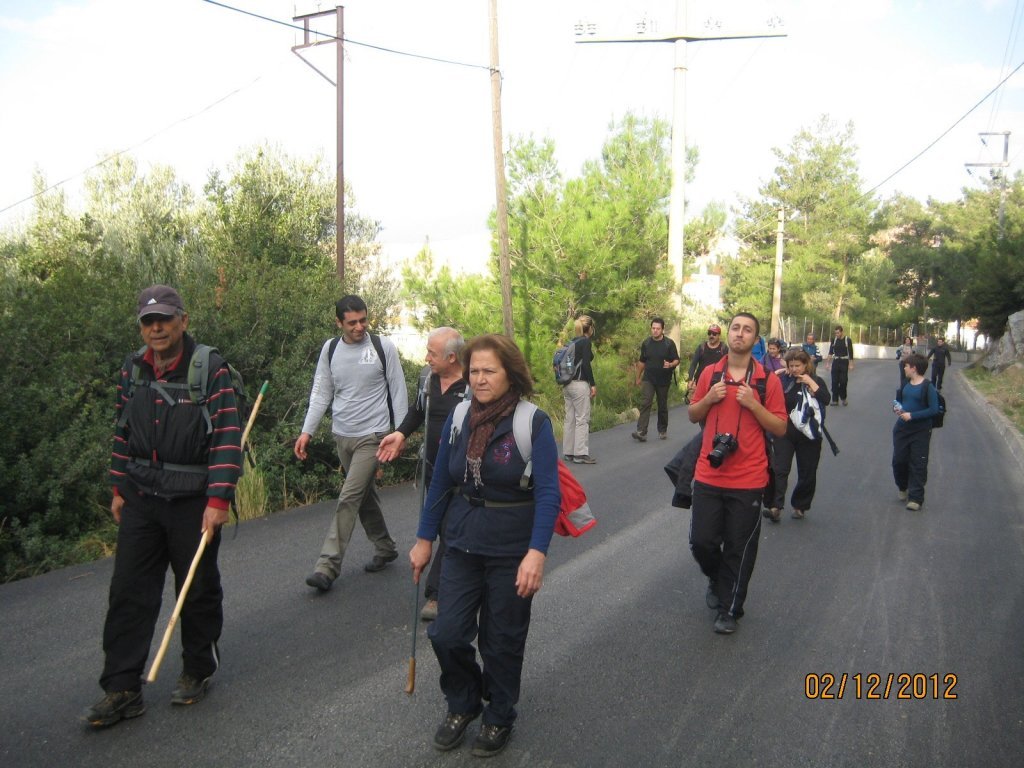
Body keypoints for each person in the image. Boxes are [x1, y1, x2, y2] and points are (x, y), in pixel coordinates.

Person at [82, 285, 242, 727]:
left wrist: (218, 499)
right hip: (140, 497)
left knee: (196, 588)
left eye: (165, 320)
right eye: (148, 321)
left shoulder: (208, 367)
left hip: (193, 500)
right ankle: (121, 687)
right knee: (129, 592)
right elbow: (121, 430)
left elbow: (228, 436)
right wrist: (117, 486)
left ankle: (197, 669)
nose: (156, 328)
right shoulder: (133, 369)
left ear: (183, 320)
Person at [410, 334, 560, 757]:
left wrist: (537, 552)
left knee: (502, 640)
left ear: (509, 373)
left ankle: (499, 714)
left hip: (512, 547)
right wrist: (424, 539)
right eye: (474, 370)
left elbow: (548, 493)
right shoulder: (461, 416)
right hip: (461, 540)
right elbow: (441, 482)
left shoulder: (532, 422)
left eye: (488, 370)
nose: (479, 378)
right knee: (446, 633)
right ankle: (464, 701)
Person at [296, 294, 409, 592]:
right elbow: (322, 392)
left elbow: (398, 391)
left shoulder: (382, 347)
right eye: (352, 323)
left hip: (374, 437)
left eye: (363, 320)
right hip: (342, 435)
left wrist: (401, 434)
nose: (359, 327)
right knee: (363, 497)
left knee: (349, 496)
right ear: (339, 323)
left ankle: (327, 566)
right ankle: (385, 547)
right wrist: (307, 431)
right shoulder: (330, 349)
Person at [687, 312, 787, 635]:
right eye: (735, 328)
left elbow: (781, 427)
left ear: (755, 340)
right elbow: (692, 414)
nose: (739, 334)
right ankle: (719, 580)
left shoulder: (766, 381)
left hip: (748, 478)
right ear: (727, 334)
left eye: (747, 330)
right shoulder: (709, 374)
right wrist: (709, 399)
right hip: (709, 473)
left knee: (739, 546)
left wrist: (754, 405)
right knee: (700, 541)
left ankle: (730, 608)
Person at [377, 327, 467, 622]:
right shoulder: (428, 380)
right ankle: (455, 585)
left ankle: (438, 593)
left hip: (464, 474)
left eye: (432, 353)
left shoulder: (472, 385)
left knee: (450, 530)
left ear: (452, 357)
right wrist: (401, 434)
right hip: (434, 472)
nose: (426, 357)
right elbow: (418, 412)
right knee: (442, 526)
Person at [764, 349, 831, 522]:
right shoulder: (783, 380)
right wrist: (776, 375)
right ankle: (775, 506)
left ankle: (800, 505)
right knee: (780, 469)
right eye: (791, 365)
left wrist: (809, 382)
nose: (794, 369)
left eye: (798, 366)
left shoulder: (815, 380)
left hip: (808, 434)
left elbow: (826, 399)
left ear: (806, 364)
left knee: (807, 471)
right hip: (785, 432)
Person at [892, 353, 940, 511]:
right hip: (902, 429)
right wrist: (897, 408)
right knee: (899, 461)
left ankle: (916, 498)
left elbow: (934, 409)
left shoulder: (928, 387)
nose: (904, 367)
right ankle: (902, 485)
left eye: (906, 365)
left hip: (920, 430)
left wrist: (912, 415)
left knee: (918, 463)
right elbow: (900, 401)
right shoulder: (905, 383)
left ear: (914, 368)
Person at [632, 316, 680, 442]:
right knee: (646, 402)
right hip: (649, 378)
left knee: (662, 405)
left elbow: (676, 360)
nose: (655, 331)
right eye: (653, 328)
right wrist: (638, 377)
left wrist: (670, 364)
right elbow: (642, 362)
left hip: (664, 379)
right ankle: (641, 431)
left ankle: (662, 430)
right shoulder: (646, 343)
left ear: (663, 330)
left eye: (658, 329)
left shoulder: (669, 344)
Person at [560, 315, 598, 464]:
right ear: (590, 329)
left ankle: (568, 452)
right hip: (580, 384)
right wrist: (592, 384)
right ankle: (580, 454)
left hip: (567, 385)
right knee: (582, 419)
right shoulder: (586, 342)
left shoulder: (572, 342)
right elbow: (587, 365)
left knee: (569, 419)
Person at [686, 323, 727, 395]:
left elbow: (729, 365)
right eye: (709, 333)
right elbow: (693, 364)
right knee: (697, 404)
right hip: (700, 382)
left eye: (714, 334)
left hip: (717, 384)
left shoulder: (723, 348)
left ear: (719, 335)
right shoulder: (702, 347)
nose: (711, 335)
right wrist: (690, 379)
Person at [827, 325, 854, 406]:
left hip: (844, 362)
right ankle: (835, 400)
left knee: (843, 381)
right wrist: (828, 363)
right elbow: (830, 352)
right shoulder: (834, 340)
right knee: (834, 382)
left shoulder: (847, 340)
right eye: (835, 333)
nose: (837, 335)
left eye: (838, 333)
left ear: (842, 332)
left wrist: (851, 364)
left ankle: (843, 398)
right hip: (836, 362)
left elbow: (850, 352)